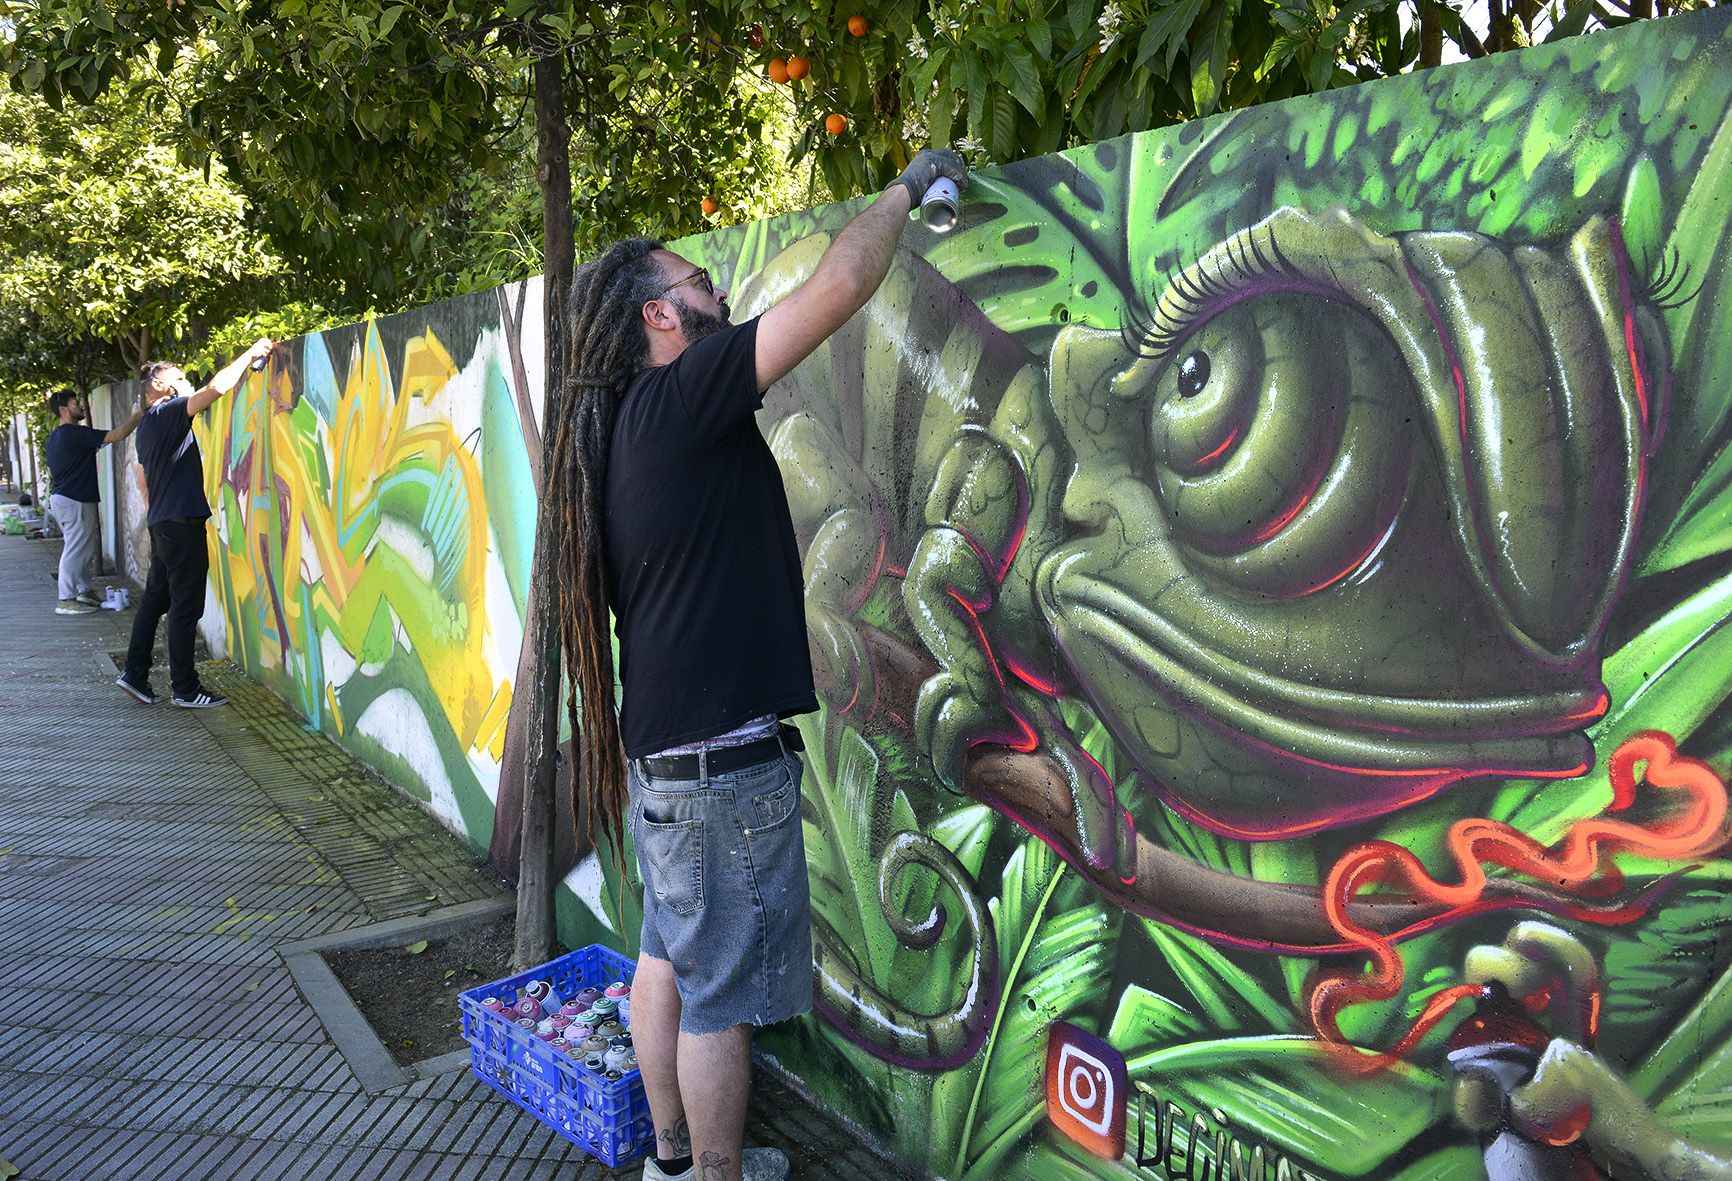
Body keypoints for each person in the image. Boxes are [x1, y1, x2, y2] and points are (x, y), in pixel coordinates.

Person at [548, 149, 969, 1181]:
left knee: (669, 957)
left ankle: (675, 1158)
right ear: (658, 316)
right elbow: (841, 283)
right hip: (717, 772)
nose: (717, 291)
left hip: (667, 761)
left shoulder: (618, 432)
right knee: (719, 995)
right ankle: (716, 1175)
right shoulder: (684, 394)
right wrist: (905, 190)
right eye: (697, 282)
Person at [116, 340, 274, 708]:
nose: (186, 381)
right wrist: (250, 355)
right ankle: (185, 689)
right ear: (158, 385)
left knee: (155, 600)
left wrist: (159, 513)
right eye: (179, 377)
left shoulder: (147, 426)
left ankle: (135, 674)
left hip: (163, 524)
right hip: (180, 525)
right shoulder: (167, 412)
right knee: (186, 608)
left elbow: (144, 479)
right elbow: (216, 389)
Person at [44, 389, 144, 614]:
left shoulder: (56, 437)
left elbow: (55, 469)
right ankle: (66, 598)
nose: (80, 405)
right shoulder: (74, 434)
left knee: (80, 545)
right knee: (76, 547)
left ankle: (83, 590)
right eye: (74, 402)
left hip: (64, 498)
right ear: (63, 409)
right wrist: (138, 415)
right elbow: (117, 435)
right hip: (75, 498)